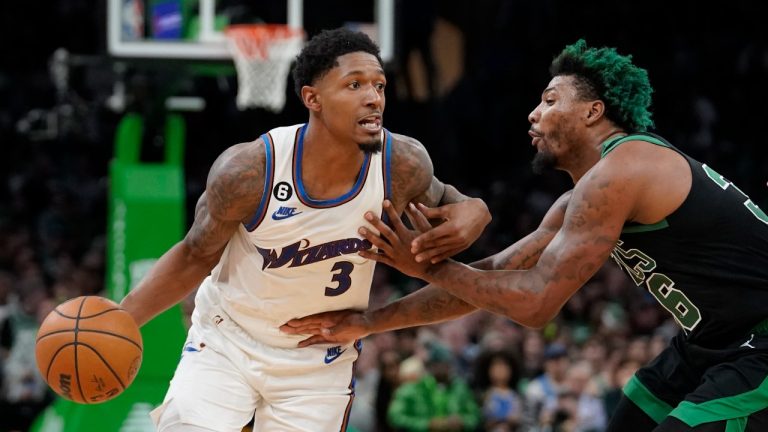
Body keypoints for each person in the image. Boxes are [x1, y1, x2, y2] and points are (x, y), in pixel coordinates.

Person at [282, 40, 768, 431]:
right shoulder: (581, 198)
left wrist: (430, 266)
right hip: (711, 340)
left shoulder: (622, 170)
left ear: (593, 112)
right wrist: (370, 321)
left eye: (550, 100)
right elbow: (491, 276)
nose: (533, 114)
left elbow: (536, 305)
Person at [119, 28, 491, 432]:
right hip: (228, 342)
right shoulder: (250, 171)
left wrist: (475, 210)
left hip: (320, 357)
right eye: (354, 85)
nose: (374, 97)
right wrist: (121, 319)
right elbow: (195, 254)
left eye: (379, 85)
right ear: (312, 98)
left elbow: (453, 203)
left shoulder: (401, 163)